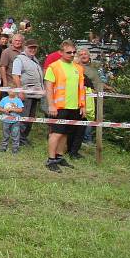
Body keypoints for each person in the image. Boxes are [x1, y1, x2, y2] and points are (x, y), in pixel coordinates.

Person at [44, 40, 85, 173]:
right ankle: (51, 160)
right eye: (69, 52)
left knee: (65, 133)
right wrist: (51, 105)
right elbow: (49, 88)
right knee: (56, 133)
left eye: (74, 52)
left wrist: (82, 105)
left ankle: (59, 157)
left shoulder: (78, 68)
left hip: (74, 107)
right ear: (61, 52)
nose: (72, 54)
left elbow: (81, 89)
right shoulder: (54, 67)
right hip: (59, 106)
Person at [11, 39, 45, 147]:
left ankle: (23, 138)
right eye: (30, 47)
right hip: (25, 94)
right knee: (23, 118)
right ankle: (18, 139)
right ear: (25, 47)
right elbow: (15, 75)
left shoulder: (34, 59)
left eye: (34, 48)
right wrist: (20, 90)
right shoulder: (19, 59)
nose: (33, 49)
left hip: (35, 94)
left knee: (30, 119)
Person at [0, 88, 24, 153]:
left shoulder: (18, 100)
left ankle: (15, 148)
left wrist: (12, 109)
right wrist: (5, 110)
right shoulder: (4, 99)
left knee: (15, 135)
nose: (11, 91)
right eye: (10, 90)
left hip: (16, 121)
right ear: (7, 91)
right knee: (5, 134)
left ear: (16, 91)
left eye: (13, 90)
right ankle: (4, 147)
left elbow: (21, 110)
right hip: (5, 120)